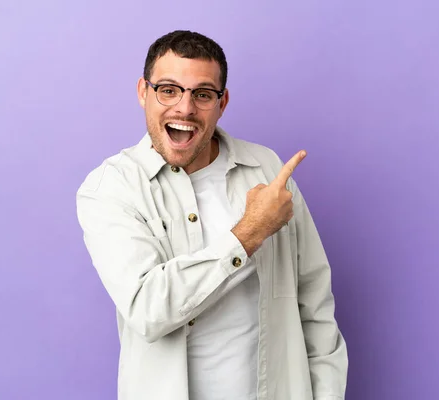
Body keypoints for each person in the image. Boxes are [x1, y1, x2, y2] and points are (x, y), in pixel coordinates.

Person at [76, 30, 348, 400]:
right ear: (143, 92)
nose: (185, 108)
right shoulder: (111, 188)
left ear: (222, 103)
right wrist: (249, 232)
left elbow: (315, 306)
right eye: (168, 90)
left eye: (202, 94)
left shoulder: (267, 170)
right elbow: (149, 308)